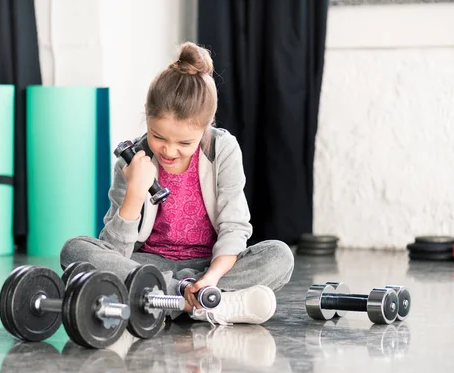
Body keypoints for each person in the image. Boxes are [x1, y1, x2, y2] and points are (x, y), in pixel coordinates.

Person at [60, 41, 294, 325]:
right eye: (158, 137)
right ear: (147, 119)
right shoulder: (131, 159)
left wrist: (210, 278)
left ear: (206, 126)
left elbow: (234, 228)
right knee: (74, 251)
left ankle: (166, 299)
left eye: (184, 142)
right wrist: (135, 191)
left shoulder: (223, 149)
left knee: (279, 256)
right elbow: (114, 253)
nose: (169, 151)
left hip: (210, 266)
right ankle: (204, 304)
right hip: (151, 265)